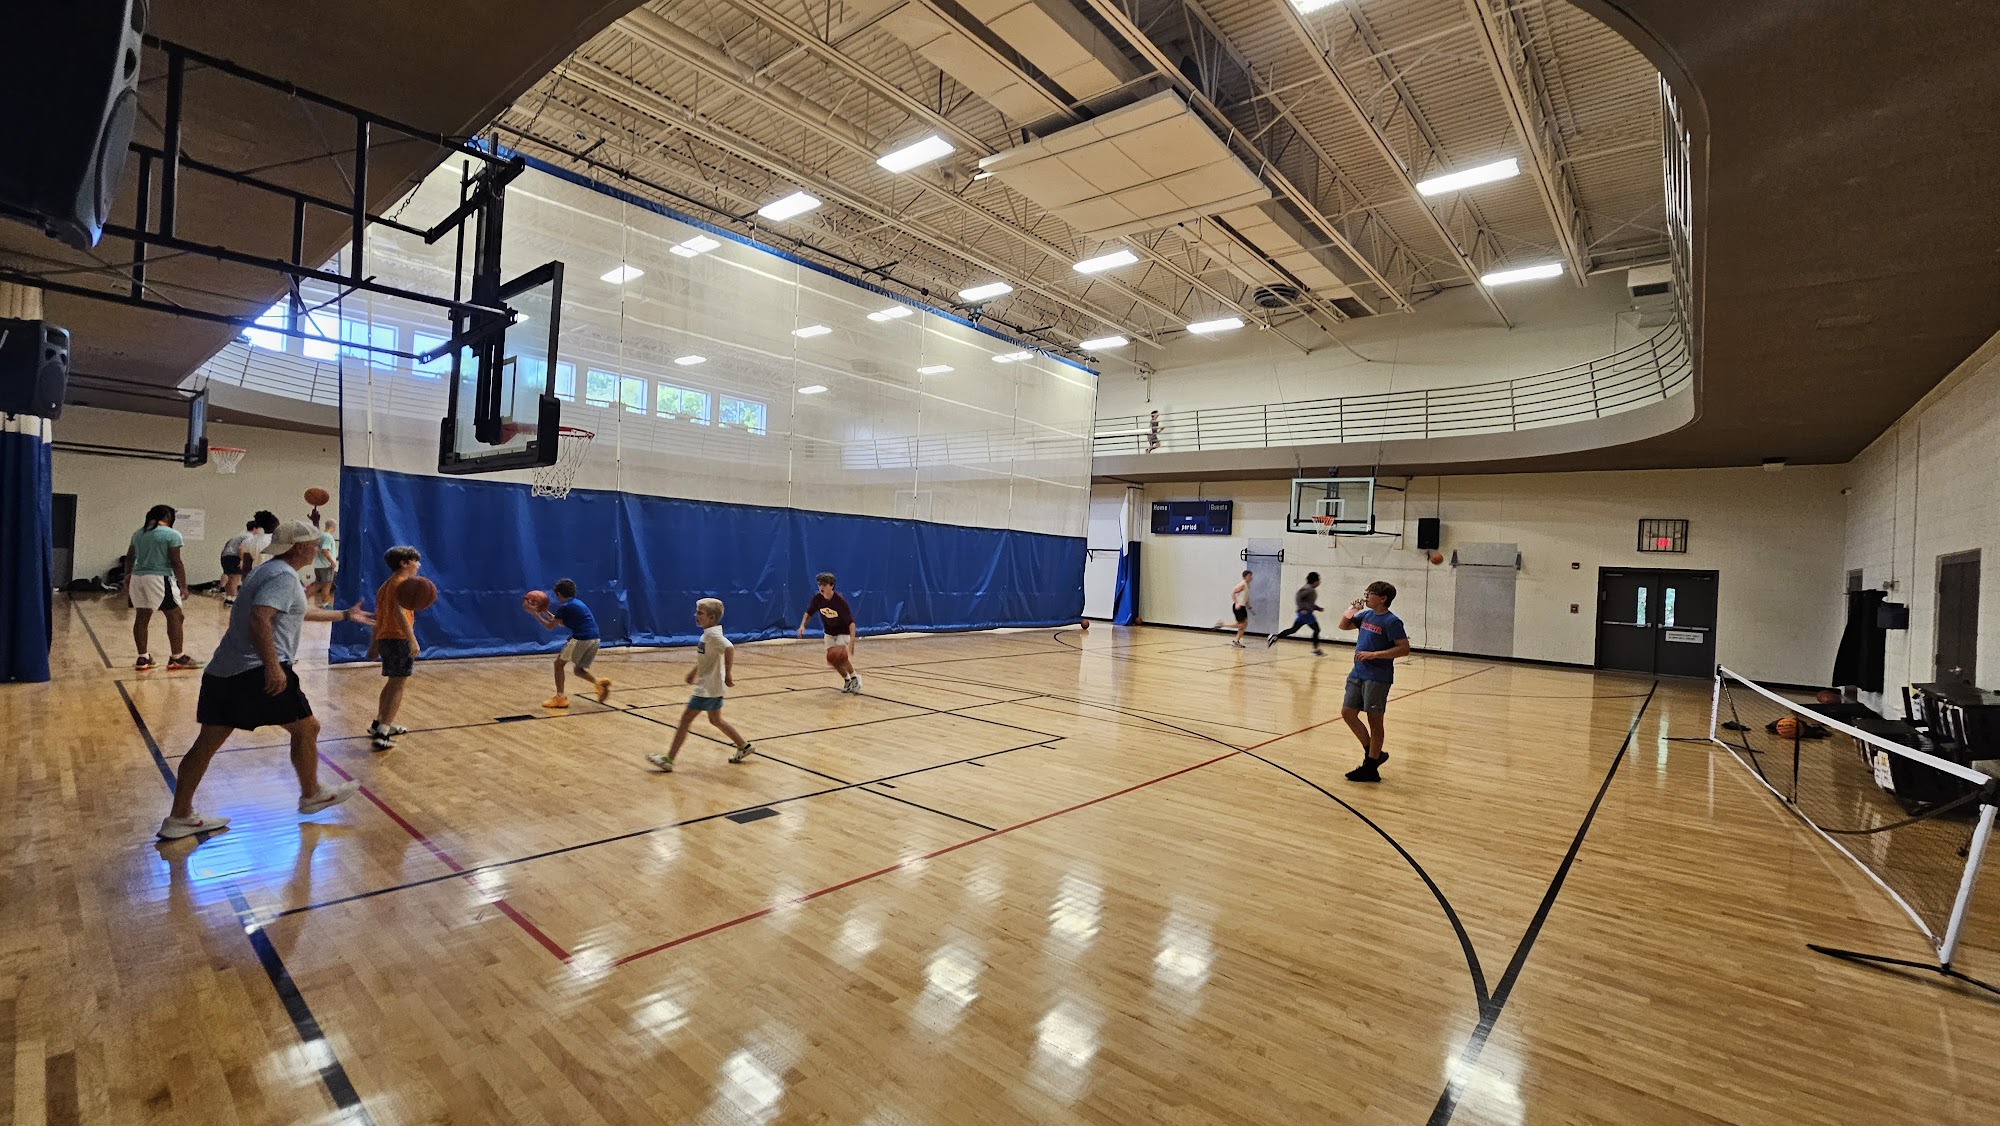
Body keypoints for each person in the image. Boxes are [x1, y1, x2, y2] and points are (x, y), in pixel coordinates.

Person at [157, 520, 374, 839]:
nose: (317, 549)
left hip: (224, 670)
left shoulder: (268, 570)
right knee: (307, 728)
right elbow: (260, 617)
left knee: (206, 744)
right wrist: (272, 667)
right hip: (255, 670)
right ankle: (312, 793)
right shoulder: (283, 576)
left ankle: (179, 816)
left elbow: (293, 612)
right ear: (299, 548)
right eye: (313, 544)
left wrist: (344, 615)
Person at [647, 598, 754, 772]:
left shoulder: (713, 635)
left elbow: (729, 647)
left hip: (707, 688)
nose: (695, 615)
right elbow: (707, 657)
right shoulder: (708, 635)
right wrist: (694, 672)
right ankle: (744, 746)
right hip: (712, 687)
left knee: (685, 719)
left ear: (711, 618)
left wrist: (728, 673)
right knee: (715, 720)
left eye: (700, 613)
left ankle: (669, 759)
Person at [1338, 581, 1411, 783]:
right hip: (1358, 673)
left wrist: (1375, 654)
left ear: (1382, 598)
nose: (1366, 597)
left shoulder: (1391, 621)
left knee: (1374, 720)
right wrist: (1352, 609)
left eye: (1369, 594)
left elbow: (1404, 648)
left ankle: (1370, 767)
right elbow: (1343, 625)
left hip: (1378, 677)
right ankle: (1374, 754)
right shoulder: (1366, 615)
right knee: (1348, 713)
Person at [125, 504, 197, 671]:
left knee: (142, 616)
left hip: (138, 577)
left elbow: (129, 558)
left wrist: (127, 576)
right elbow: (176, 562)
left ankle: (143, 657)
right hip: (159, 578)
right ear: (168, 517)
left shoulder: (138, 533)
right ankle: (177, 657)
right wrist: (183, 585)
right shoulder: (171, 534)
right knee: (176, 615)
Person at [366, 545, 423, 751]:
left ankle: (380, 722)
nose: (418, 565)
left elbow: (378, 618)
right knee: (399, 684)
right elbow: (399, 613)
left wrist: (374, 644)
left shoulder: (385, 586)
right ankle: (383, 733)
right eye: (415, 561)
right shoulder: (401, 585)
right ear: (404, 563)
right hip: (399, 639)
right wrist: (412, 639)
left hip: (385, 638)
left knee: (392, 682)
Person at [527, 578, 610, 708]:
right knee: (578, 670)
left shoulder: (565, 607)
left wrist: (534, 614)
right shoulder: (576, 603)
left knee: (558, 665)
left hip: (581, 638)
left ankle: (560, 698)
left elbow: (550, 626)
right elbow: (559, 622)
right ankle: (598, 683)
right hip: (595, 638)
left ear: (559, 594)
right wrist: (544, 612)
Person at [797, 571, 861, 693]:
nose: (821, 587)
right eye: (819, 585)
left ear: (831, 586)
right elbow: (809, 612)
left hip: (843, 632)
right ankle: (846, 679)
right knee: (833, 659)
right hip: (829, 632)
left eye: (824, 585)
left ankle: (854, 678)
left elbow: (851, 623)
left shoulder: (839, 601)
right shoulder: (817, 599)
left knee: (840, 656)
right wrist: (802, 625)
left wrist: (852, 641)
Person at [1266, 571, 1326, 656]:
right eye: (1319, 580)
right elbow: (1298, 597)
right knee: (1316, 629)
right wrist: (1302, 609)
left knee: (1293, 629)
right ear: (1315, 581)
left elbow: (1309, 603)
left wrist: (1317, 608)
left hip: (1305, 614)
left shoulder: (1311, 589)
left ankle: (1275, 637)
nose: (1319, 582)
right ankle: (1315, 650)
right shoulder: (1308, 589)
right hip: (1306, 614)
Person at [218, 520, 256, 605]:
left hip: (225, 556)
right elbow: (240, 548)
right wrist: (242, 560)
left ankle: (229, 598)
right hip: (234, 557)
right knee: (234, 579)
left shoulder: (240, 535)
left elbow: (227, 545)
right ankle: (233, 599)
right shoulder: (249, 537)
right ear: (254, 528)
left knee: (230, 578)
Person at [238, 510, 279, 586]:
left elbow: (246, 565)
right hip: (275, 577)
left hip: (256, 577)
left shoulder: (248, 541)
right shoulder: (278, 540)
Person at [1216, 570, 1252, 647]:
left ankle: (1236, 641)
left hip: (1242, 607)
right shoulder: (1242, 584)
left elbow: (1244, 596)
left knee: (1244, 624)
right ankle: (1223, 624)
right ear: (1245, 576)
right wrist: (1236, 603)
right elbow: (1233, 592)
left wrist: (1248, 604)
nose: (1251, 577)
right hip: (1238, 607)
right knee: (1241, 625)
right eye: (1250, 576)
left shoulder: (1247, 585)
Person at [307, 520, 339, 607]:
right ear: (332, 527)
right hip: (326, 566)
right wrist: (331, 561)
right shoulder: (328, 537)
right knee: (327, 585)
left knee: (317, 585)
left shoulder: (320, 535)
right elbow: (325, 550)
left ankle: (303, 598)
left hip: (318, 565)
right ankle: (325, 604)